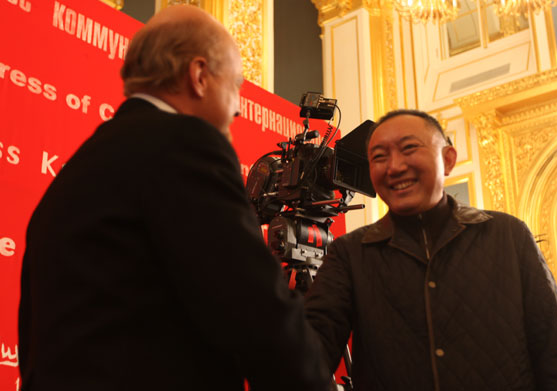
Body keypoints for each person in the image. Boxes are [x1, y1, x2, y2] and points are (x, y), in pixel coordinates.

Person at [18, 6, 329, 391]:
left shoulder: (78, 169)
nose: (236, 105)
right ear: (198, 76)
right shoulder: (187, 145)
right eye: (235, 86)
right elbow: (256, 310)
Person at [304, 109, 557, 391]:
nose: (394, 166)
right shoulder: (349, 254)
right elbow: (306, 361)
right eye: (379, 157)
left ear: (448, 159)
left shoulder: (509, 235)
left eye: (409, 149)